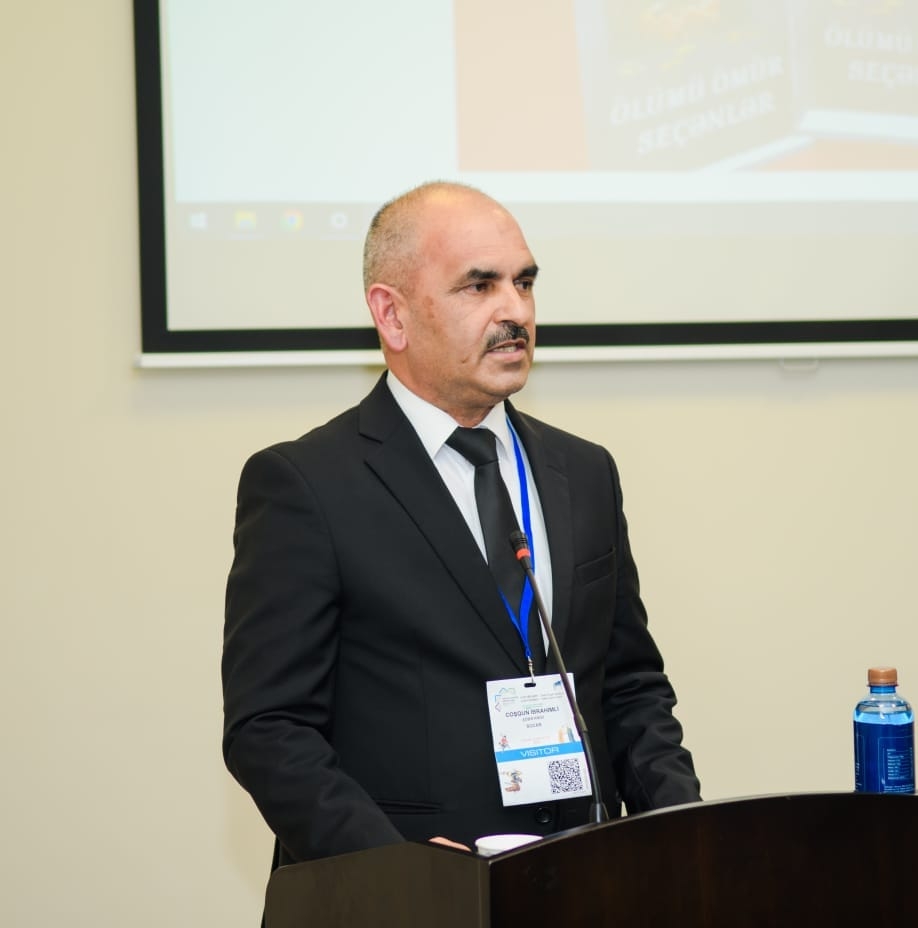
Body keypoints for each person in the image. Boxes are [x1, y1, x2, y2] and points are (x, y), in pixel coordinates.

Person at [222, 181, 700, 875]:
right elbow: (269, 729)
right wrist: (398, 869)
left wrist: (683, 836)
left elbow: (628, 686)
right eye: (480, 286)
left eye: (524, 283)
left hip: (581, 883)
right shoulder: (306, 485)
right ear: (392, 315)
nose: (516, 311)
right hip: (403, 899)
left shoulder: (583, 470)